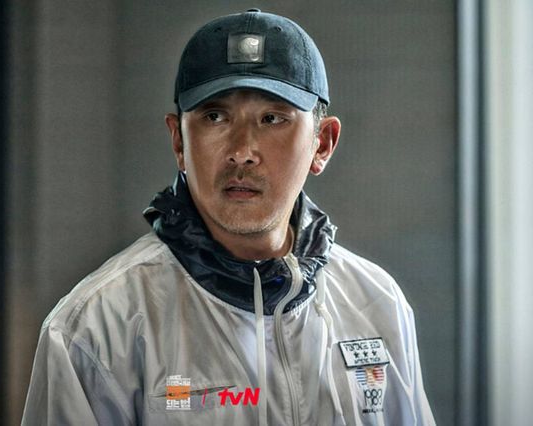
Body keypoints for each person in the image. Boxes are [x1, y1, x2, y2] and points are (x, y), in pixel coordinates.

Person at [22, 9, 435, 426]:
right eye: (215, 117)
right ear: (179, 142)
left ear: (322, 144)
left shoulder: (376, 303)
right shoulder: (96, 327)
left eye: (272, 119)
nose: (242, 151)